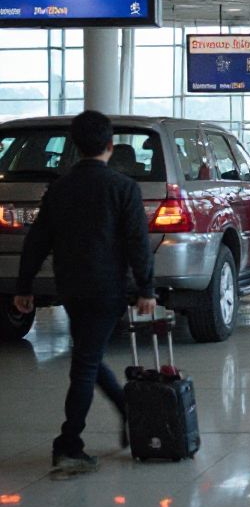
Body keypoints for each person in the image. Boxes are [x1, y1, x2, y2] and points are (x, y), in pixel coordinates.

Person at [15, 110, 155, 474]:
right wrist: (146, 288)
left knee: (87, 356)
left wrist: (24, 284)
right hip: (107, 289)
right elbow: (137, 243)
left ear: (75, 146)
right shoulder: (124, 188)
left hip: (71, 288)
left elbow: (37, 240)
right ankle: (69, 444)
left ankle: (127, 412)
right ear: (110, 145)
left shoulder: (59, 188)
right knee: (85, 364)